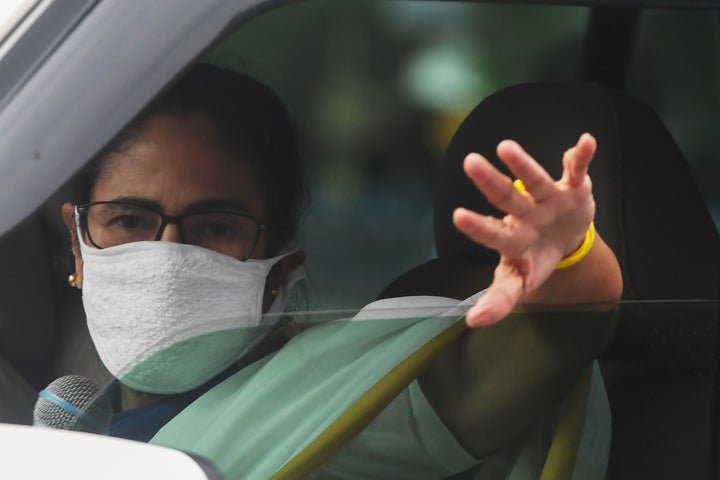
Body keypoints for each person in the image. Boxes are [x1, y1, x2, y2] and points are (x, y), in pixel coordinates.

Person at [60, 64, 622, 478]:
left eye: (215, 227)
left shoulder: (338, 405)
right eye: (130, 219)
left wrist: (567, 263)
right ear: (78, 246)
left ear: (280, 268)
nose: (168, 257)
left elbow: (552, 338)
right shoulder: (70, 416)